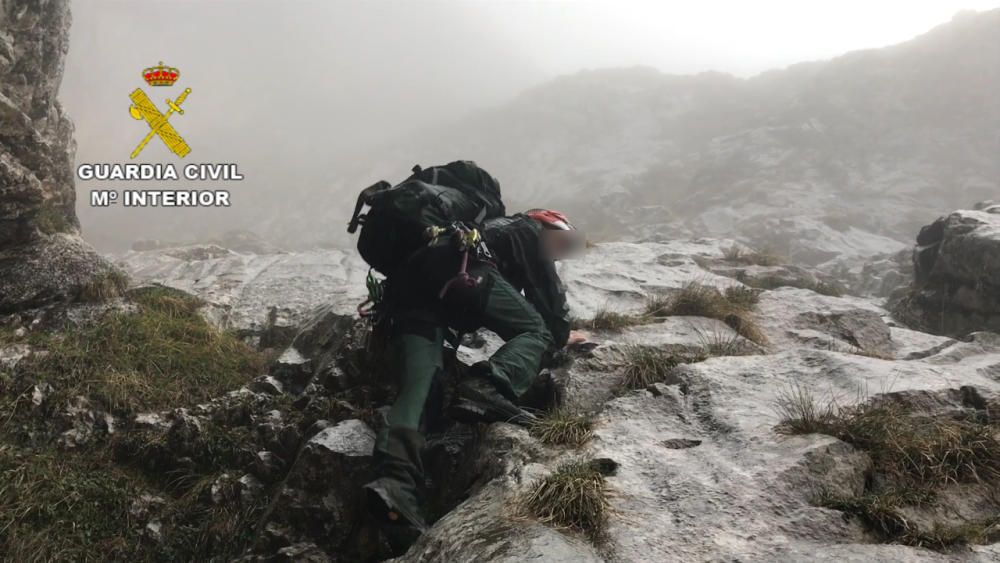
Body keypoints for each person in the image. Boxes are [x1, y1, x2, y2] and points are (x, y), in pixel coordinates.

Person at [354, 163, 582, 550]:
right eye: (561, 241)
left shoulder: (462, 231)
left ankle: (394, 483)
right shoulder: (523, 229)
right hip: (455, 268)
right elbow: (548, 306)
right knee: (535, 331)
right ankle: (488, 385)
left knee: (420, 387)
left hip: (406, 290)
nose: (560, 253)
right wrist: (564, 334)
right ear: (546, 222)